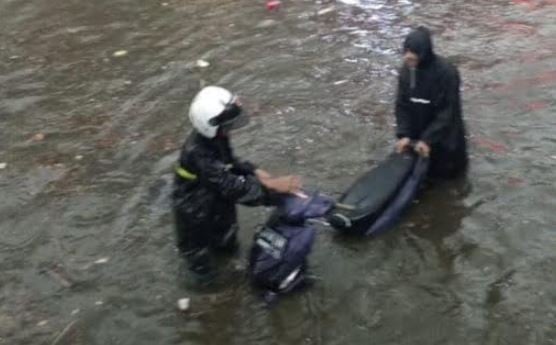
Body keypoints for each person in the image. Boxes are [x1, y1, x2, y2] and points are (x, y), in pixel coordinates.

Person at [173, 86, 302, 283]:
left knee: (227, 241)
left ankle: (231, 270)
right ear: (212, 125)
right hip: (194, 208)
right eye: (226, 125)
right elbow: (231, 187)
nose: (230, 129)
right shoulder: (197, 152)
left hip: (217, 199)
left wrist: (254, 171)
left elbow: (229, 162)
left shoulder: (216, 137)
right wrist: (272, 191)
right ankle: (212, 296)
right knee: (199, 260)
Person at [394, 26, 468, 179]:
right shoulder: (406, 72)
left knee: (447, 179)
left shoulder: (447, 73)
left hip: (445, 139)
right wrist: (404, 134)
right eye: (406, 54)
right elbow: (402, 105)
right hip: (418, 134)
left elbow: (447, 112)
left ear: (424, 53)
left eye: (413, 56)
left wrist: (428, 139)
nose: (409, 59)